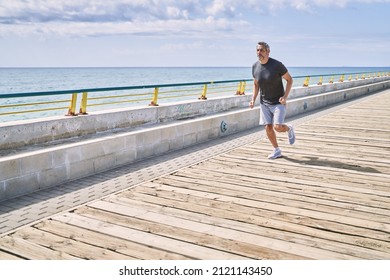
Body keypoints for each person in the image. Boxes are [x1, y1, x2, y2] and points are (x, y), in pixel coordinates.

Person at [249, 41, 295, 159]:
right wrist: (253, 99)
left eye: (262, 50)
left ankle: (289, 128)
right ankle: (276, 150)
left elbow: (289, 80)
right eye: (257, 50)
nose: (259, 53)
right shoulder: (255, 66)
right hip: (264, 102)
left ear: (268, 52)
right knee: (268, 128)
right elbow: (256, 84)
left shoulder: (277, 65)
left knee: (277, 127)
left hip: (278, 102)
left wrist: (285, 97)